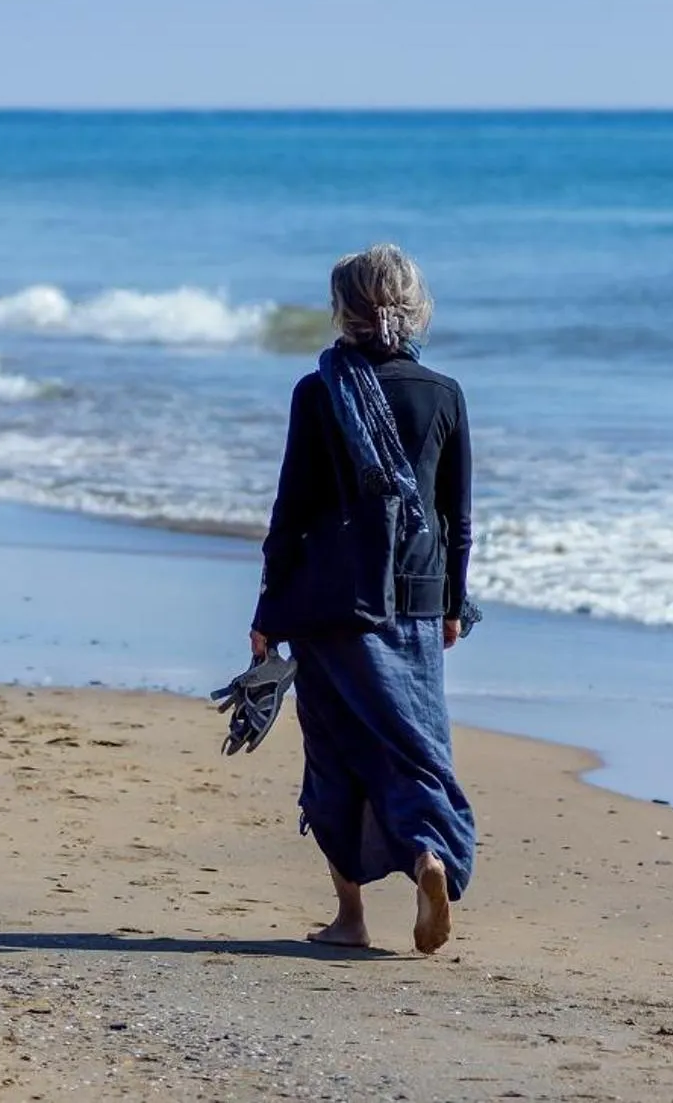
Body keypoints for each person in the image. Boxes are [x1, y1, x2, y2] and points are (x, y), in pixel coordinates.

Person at [248, 243, 476, 955]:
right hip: (415, 596)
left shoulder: (319, 391)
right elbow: (455, 516)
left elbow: (293, 510)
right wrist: (453, 605)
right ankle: (426, 858)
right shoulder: (442, 393)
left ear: (342, 309)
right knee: (414, 748)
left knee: (335, 752)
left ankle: (350, 915)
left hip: (331, 603)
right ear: (416, 308)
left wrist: (268, 612)